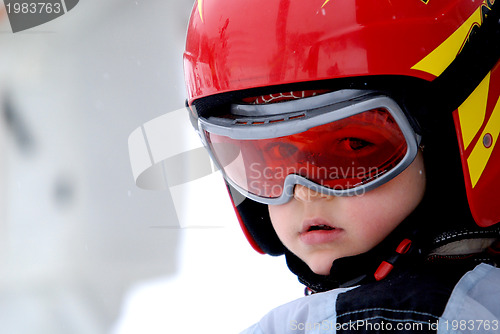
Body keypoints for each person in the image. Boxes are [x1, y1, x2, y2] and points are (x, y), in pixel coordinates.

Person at [183, 0, 500, 332]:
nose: (304, 191)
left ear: (444, 145)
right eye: (273, 153)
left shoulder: (420, 320)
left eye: (354, 146)